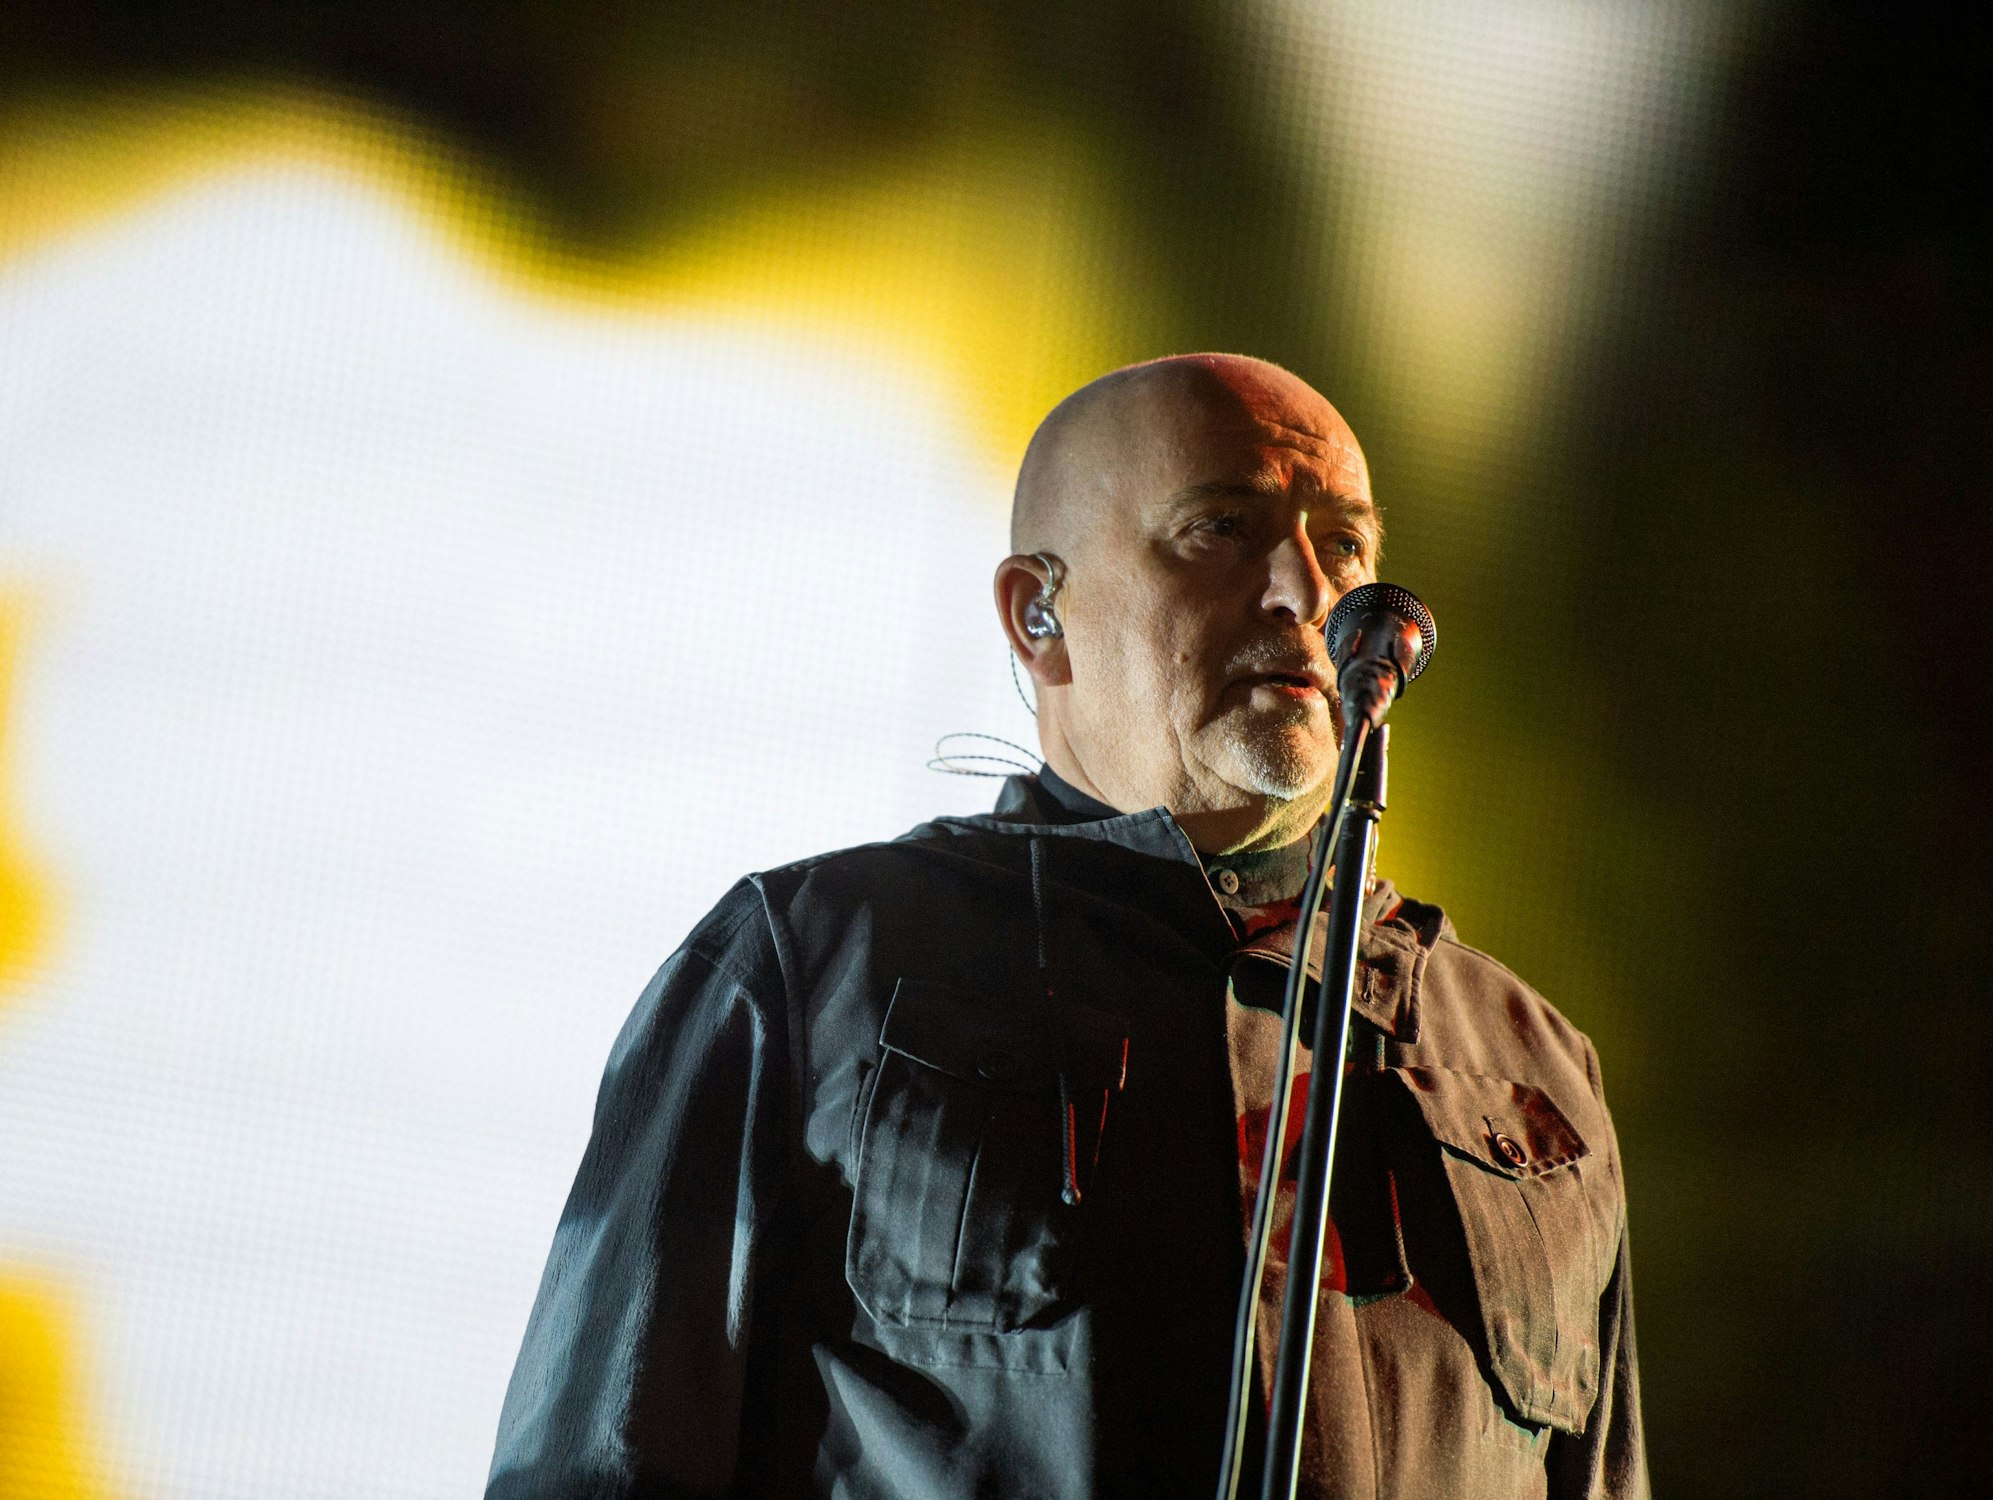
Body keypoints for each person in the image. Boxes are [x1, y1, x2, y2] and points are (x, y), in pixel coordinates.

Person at [485, 354, 1647, 1499]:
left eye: (1342, 544)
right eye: (1221, 528)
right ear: (1038, 614)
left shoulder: (1527, 1060)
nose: (1306, 592)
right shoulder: (809, 965)